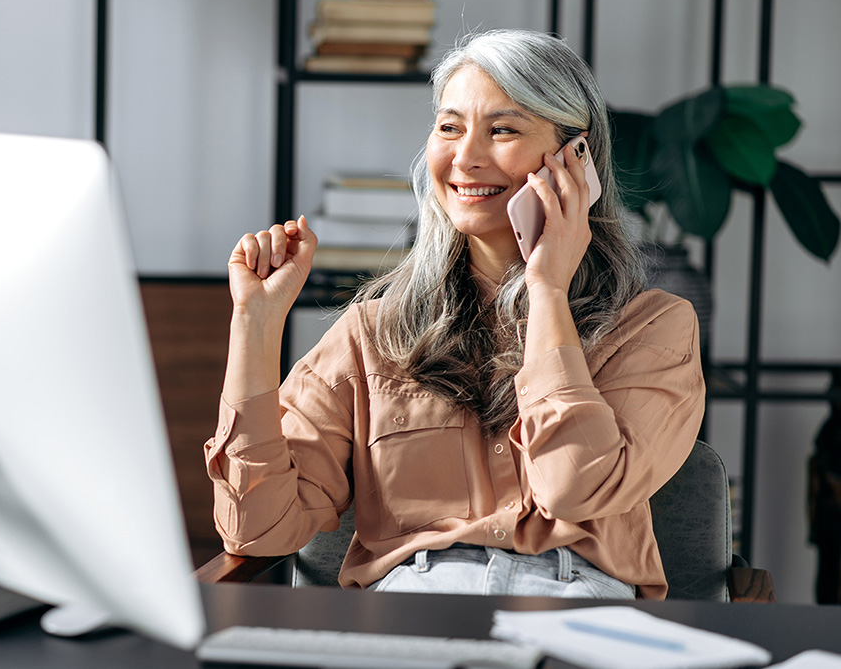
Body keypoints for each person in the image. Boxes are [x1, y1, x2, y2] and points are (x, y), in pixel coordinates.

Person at [204, 29, 705, 600]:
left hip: (577, 609)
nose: (465, 157)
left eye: (503, 129)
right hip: (413, 607)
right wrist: (254, 326)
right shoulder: (371, 335)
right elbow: (259, 530)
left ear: (576, 156)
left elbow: (573, 488)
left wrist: (547, 288)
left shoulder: (653, 327)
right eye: (449, 127)